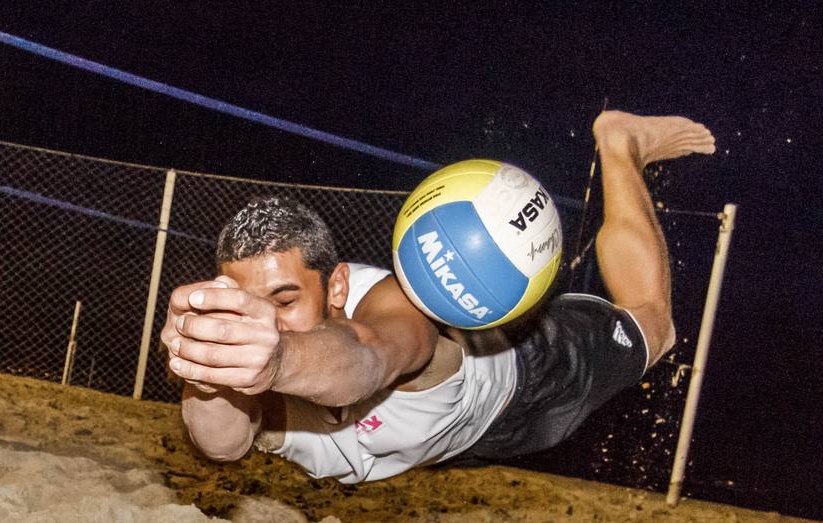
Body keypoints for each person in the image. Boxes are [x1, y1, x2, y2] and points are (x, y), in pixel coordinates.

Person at [160, 111, 715, 482]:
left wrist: (277, 359)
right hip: (449, 448)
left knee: (655, 327)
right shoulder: (236, 344)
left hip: (523, 375)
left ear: (336, 287)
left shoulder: (392, 308)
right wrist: (205, 371)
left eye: (284, 301)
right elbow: (223, 444)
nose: (268, 322)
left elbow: (367, 358)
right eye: (250, 302)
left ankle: (620, 144)